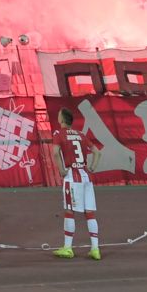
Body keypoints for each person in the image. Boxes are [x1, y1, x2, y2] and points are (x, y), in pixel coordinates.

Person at [52, 107, 100, 261]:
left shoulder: (59, 134)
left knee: (69, 210)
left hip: (72, 177)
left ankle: (67, 248)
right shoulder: (81, 134)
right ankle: (95, 249)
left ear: (62, 119)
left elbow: (55, 152)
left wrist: (61, 170)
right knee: (89, 212)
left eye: (58, 115)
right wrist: (93, 167)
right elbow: (97, 152)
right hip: (86, 176)